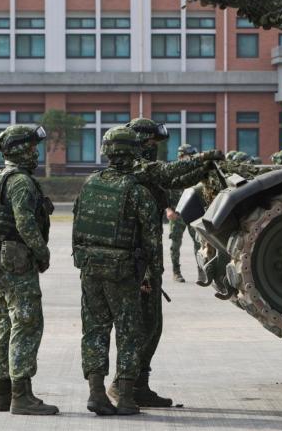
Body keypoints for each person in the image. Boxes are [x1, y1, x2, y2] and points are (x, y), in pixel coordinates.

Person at [110, 117, 222, 407]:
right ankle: (123, 385)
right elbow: (171, 171)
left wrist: (204, 169)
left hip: (142, 261)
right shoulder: (136, 170)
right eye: (150, 144)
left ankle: (138, 384)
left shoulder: (141, 172)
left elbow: (176, 180)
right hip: (137, 262)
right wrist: (206, 157)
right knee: (140, 327)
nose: (154, 150)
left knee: (151, 326)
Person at [72, 126, 158, 416]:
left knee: (94, 330)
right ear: (134, 152)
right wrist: (151, 275)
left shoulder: (89, 184)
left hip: (90, 269)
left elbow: (77, 230)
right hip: (123, 272)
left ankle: (96, 393)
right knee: (129, 332)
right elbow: (152, 241)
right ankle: (125, 397)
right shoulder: (137, 192)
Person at [0, 125, 58, 416]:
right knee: (27, 323)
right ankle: (21, 396)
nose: (35, 153)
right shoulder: (21, 182)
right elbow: (25, 224)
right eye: (31, 147)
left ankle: (2, 394)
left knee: (4, 324)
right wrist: (42, 253)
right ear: (19, 150)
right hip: (15, 261)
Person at [167, 144, 198, 283]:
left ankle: (202, 273)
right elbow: (164, 192)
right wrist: (168, 209)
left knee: (199, 244)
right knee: (175, 245)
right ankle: (176, 272)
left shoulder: (196, 172)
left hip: (193, 213)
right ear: (181, 156)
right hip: (176, 213)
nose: (191, 158)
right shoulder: (172, 172)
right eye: (189, 155)